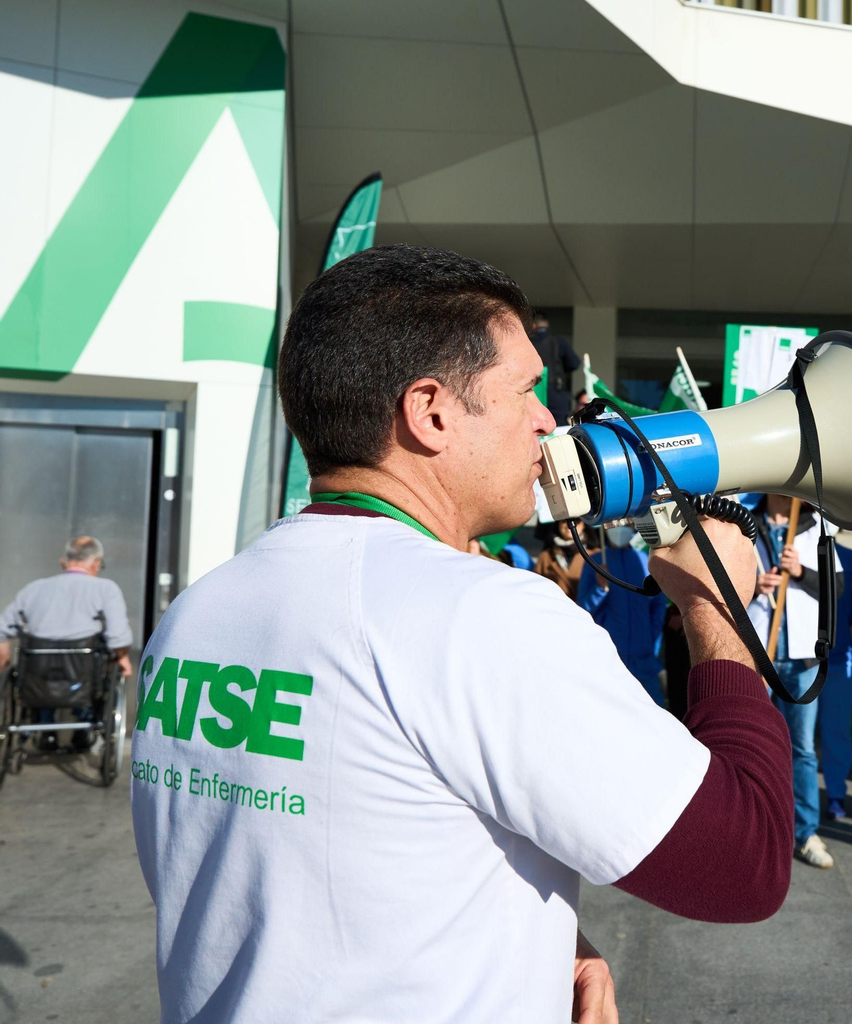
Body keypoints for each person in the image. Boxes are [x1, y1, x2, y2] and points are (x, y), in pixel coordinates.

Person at [130, 245, 793, 1024]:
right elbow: (743, 864)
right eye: (526, 390)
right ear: (431, 412)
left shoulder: (197, 613)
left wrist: (545, 938)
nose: (547, 421)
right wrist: (717, 610)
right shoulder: (484, 615)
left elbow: (300, 853)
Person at [748, 494, 836, 869]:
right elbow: (720, 582)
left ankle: (805, 831)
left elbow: (836, 587)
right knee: (753, 745)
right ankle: (754, 829)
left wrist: (801, 572)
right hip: (757, 652)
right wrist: (753, 585)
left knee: (801, 748)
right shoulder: (741, 523)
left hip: (801, 656)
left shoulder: (817, 528)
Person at [0, 536, 135, 752]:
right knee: (98, 667)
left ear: (63, 562)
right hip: (82, 678)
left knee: (39, 670)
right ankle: (84, 724)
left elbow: (2, 628)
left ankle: (45, 728)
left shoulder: (33, 590)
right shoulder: (106, 589)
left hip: (37, 678)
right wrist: (122, 657)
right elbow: (118, 637)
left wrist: (4, 658)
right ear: (96, 563)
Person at [578, 525, 669, 705]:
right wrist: (599, 589)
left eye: (624, 522)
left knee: (651, 711)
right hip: (609, 660)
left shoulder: (646, 560)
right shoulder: (595, 562)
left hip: (644, 660)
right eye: (612, 523)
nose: (618, 527)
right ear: (604, 526)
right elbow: (582, 611)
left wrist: (652, 640)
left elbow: (658, 605)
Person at [817, 542, 852, 821]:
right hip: (798, 660)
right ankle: (793, 800)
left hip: (840, 659)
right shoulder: (792, 553)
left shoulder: (850, 557)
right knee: (795, 737)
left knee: (836, 730)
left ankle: (836, 795)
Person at [531, 310, 581, 424]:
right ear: (547, 324)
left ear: (533, 325)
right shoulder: (558, 341)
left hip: (533, 392)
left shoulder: (528, 342)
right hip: (556, 393)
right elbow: (574, 363)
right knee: (557, 427)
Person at [533, 520, 588, 599]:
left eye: (577, 521)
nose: (569, 525)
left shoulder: (595, 556)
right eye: (564, 521)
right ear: (558, 524)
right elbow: (536, 589)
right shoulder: (545, 556)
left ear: (584, 525)